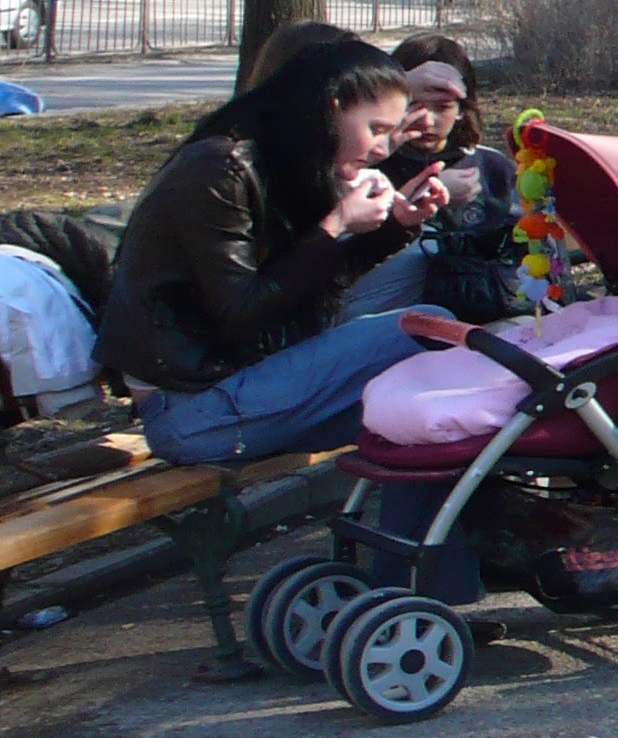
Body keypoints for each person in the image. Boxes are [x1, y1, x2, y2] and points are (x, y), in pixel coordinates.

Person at [104, 37, 451, 466]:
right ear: (332, 107)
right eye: (376, 129)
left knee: (421, 411)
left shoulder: (280, 165)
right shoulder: (219, 170)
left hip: (236, 392)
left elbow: (305, 291)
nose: (382, 150)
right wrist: (336, 224)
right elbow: (244, 314)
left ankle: (421, 532)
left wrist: (396, 227)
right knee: (432, 333)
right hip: (191, 410)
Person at [341, 32, 529, 322]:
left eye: (442, 107)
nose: (427, 121)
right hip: (389, 319)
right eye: (415, 105)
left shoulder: (491, 166)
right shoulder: (370, 164)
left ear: (463, 110)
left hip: (483, 311)